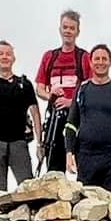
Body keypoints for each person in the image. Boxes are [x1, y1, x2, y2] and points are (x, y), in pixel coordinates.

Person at [64, 44, 111, 191]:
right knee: (86, 201)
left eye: (104, 59)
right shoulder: (82, 89)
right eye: (97, 59)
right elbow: (71, 124)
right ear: (90, 62)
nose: (100, 62)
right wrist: (69, 152)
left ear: (110, 62)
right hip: (86, 155)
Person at [34, 9, 88, 175]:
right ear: (60, 29)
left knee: (82, 164)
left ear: (77, 31)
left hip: (77, 116)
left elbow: (91, 90)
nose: (68, 31)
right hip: (54, 118)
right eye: (65, 27)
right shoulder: (49, 56)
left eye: (72, 28)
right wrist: (50, 95)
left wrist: (71, 102)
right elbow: (39, 88)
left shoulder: (84, 57)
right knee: (54, 167)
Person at [0, 41, 40, 191]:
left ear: (13, 58)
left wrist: (40, 144)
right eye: (1, 54)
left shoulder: (24, 85)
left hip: (19, 142)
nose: (4, 57)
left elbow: (35, 114)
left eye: (8, 54)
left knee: (28, 190)